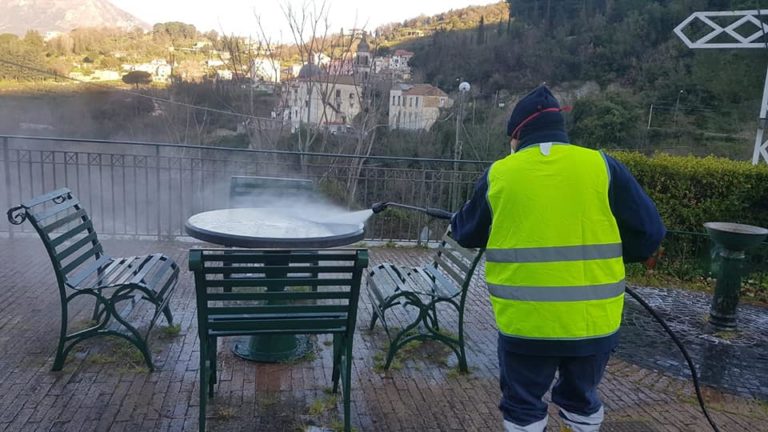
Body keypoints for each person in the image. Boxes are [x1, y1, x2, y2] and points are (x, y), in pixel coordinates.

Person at [450, 85, 665, 432]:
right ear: (559, 129)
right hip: (593, 323)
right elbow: (650, 232)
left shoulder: (501, 174)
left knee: (523, 406)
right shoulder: (602, 166)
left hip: (526, 325)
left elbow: (465, 233)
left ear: (517, 135)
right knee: (581, 401)